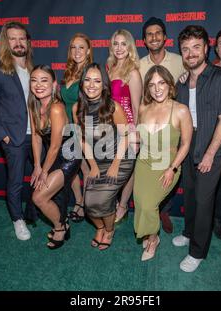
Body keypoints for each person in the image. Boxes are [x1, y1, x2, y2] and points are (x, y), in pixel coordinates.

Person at [173, 25, 221, 273]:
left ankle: (197, 252)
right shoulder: (182, 81)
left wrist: (210, 153)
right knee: (189, 194)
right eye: (185, 49)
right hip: (188, 143)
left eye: (196, 47)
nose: (190, 53)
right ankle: (189, 232)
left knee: (203, 200)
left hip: (212, 145)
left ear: (206, 48)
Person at [0, 21, 34, 240]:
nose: (18, 42)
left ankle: (32, 212)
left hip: (37, 135)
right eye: (13, 38)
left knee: (41, 177)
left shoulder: (32, 68)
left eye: (22, 38)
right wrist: (3, 135)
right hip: (15, 138)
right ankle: (17, 220)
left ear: (27, 42)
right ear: (5, 42)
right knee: (15, 181)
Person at [73, 63, 135, 250]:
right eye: (88, 80)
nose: (91, 85)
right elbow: (82, 140)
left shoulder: (112, 107)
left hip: (121, 157)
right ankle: (99, 227)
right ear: (82, 83)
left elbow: (125, 136)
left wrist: (116, 164)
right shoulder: (77, 108)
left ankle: (109, 230)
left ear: (104, 85)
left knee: (102, 201)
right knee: (90, 204)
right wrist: (92, 165)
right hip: (97, 160)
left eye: (97, 81)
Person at [133, 65, 192, 261]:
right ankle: (150, 234)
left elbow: (185, 144)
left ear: (169, 84)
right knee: (141, 204)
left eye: (161, 83)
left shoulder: (181, 110)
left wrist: (172, 168)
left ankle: (153, 239)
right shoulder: (143, 108)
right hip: (143, 163)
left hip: (167, 167)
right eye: (151, 85)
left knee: (149, 205)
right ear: (147, 89)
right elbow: (139, 138)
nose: (157, 89)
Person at [139, 16, 186, 233]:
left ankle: (162, 209)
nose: (154, 37)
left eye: (158, 33)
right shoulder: (139, 66)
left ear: (165, 37)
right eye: (149, 34)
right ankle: (154, 211)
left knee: (169, 168)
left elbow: (204, 71)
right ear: (144, 40)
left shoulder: (180, 60)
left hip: (177, 124)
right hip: (151, 125)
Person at [29, 65, 81, 249]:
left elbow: (55, 145)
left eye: (44, 80)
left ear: (54, 85)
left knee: (39, 197)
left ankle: (60, 227)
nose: (38, 85)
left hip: (69, 156)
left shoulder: (56, 108)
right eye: (34, 80)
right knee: (47, 195)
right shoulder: (34, 105)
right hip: (53, 155)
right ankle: (62, 222)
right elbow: (36, 136)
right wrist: (36, 165)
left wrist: (44, 171)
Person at [107, 29, 143, 223]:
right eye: (115, 43)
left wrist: (135, 133)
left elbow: (137, 107)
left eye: (123, 44)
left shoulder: (133, 72)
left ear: (130, 47)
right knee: (112, 167)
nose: (119, 48)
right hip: (109, 127)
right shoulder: (109, 68)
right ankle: (112, 201)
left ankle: (123, 205)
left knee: (127, 170)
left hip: (127, 127)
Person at [60, 33, 93, 223]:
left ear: (88, 51)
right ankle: (79, 200)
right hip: (66, 128)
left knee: (86, 169)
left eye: (81, 47)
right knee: (71, 169)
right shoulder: (69, 72)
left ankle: (85, 204)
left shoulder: (89, 73)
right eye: (73, 47)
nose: (77, 51)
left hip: (82, 127)